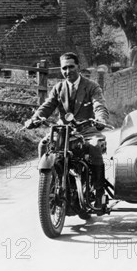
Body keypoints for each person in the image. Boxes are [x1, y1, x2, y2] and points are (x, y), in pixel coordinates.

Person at [24, 52, 110, 208]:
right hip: (63, 131)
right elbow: (47, 106)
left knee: (95, 146)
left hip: (86, 130)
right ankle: (47, 184)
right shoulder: (59, 88)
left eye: (71, 67)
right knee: (43, 145)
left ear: (78, 66)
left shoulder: (91, 86)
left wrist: (100, 119)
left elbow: (99, 105)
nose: (67, 71)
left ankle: (98, 191)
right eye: (64, 68)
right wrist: (34, 119)